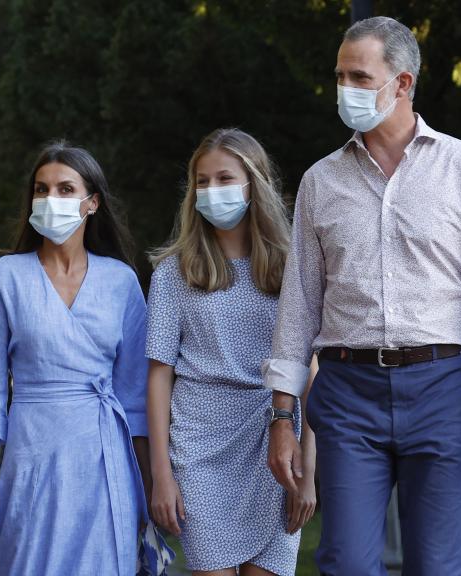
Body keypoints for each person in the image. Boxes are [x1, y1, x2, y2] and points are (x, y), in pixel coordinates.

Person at [264, 17, 461, 575]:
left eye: (360, 76)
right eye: (340, 75)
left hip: (443, 388)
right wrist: (282, 415)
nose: (346, 89)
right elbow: (299, 303)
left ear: (403, 83)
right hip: (347, 392)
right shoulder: (321, 181)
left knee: (436, 566)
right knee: (345, 563)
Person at [0, 141, 150, 575]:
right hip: (32, 457)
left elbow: (137, 398)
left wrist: (150, 486)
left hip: (105, 463)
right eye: (41, 190)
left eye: (66, 189)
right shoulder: (4, 277)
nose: (51, 200)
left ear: (92, 203)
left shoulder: (121, 282)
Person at [146, 128, 316, 576]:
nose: (211, 191)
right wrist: (161, 475)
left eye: (224, 179)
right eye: (202, 182)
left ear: (254, 184)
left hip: (276, 444)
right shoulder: (173, 273)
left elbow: (310, 370)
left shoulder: (292, 268)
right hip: (201, 449)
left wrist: (310, 470)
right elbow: (159, 375)